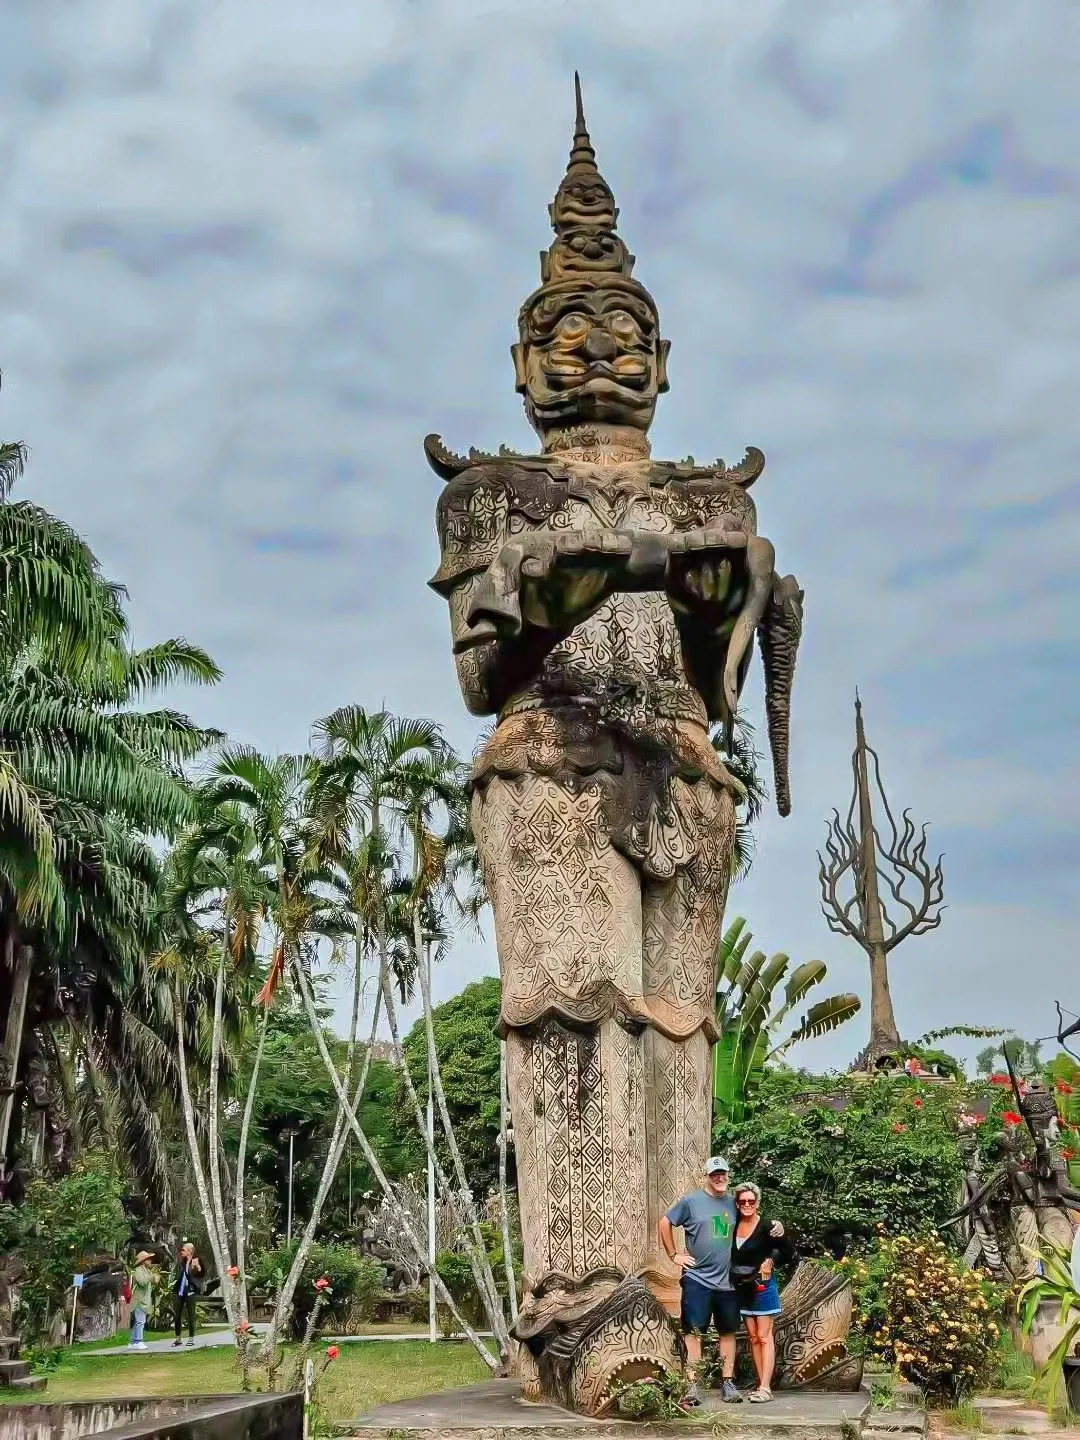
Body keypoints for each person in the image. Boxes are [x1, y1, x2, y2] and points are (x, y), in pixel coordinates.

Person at [659, 1157, 784, 1406]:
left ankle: (728, 1382)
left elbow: (753, 1217)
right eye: (714, 1174)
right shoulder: (692, 1202)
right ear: (706, 1175)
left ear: (728, 1175)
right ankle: (693, 1384)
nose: (719, 1178)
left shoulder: (734, 1202)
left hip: (729, 1281)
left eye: (723, 1173)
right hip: (698, 1279)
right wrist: (674, 1255)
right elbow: (665, 1222)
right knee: (694, 1332)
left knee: (728, 1332)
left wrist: (777, 1225)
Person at [731, 1182, 789, 1403]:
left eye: (751, 1201)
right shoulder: (733, 1225)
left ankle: (766, 1387)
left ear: (757, 1203)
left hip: (763, 1285)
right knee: (754, 1337)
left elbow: (786, 1250)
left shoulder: (767, 1226)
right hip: (743, 1287)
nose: (747, 1205)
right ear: (737, 1204)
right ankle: (759, 1383)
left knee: (765, 1337)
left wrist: (770, 1261)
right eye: (743, 1201)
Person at [171, 1242, 202, 1347]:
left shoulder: (195, 1261)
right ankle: (178, 1338)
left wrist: (196, 1267)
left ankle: (191, 1338)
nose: (181, 1252)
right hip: (180, 1291)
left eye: (183, 1250)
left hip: (191, 1291)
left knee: (191, 1315)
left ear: (190, 1251)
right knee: (177, 1315)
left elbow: (199, 1274)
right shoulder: (182, 1262)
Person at [129, 1250, 156, 1351]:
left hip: (144, 1299)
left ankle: (133, 1342)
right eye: (148, 1259)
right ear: (144, 1261)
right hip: (139, 1300)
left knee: (139, 1321)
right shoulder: (139, 1270)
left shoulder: (146, 1270)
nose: (150, 1261)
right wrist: (151, 1277)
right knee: (140, 1321)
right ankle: (138, 1341)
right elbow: (142, 1281)